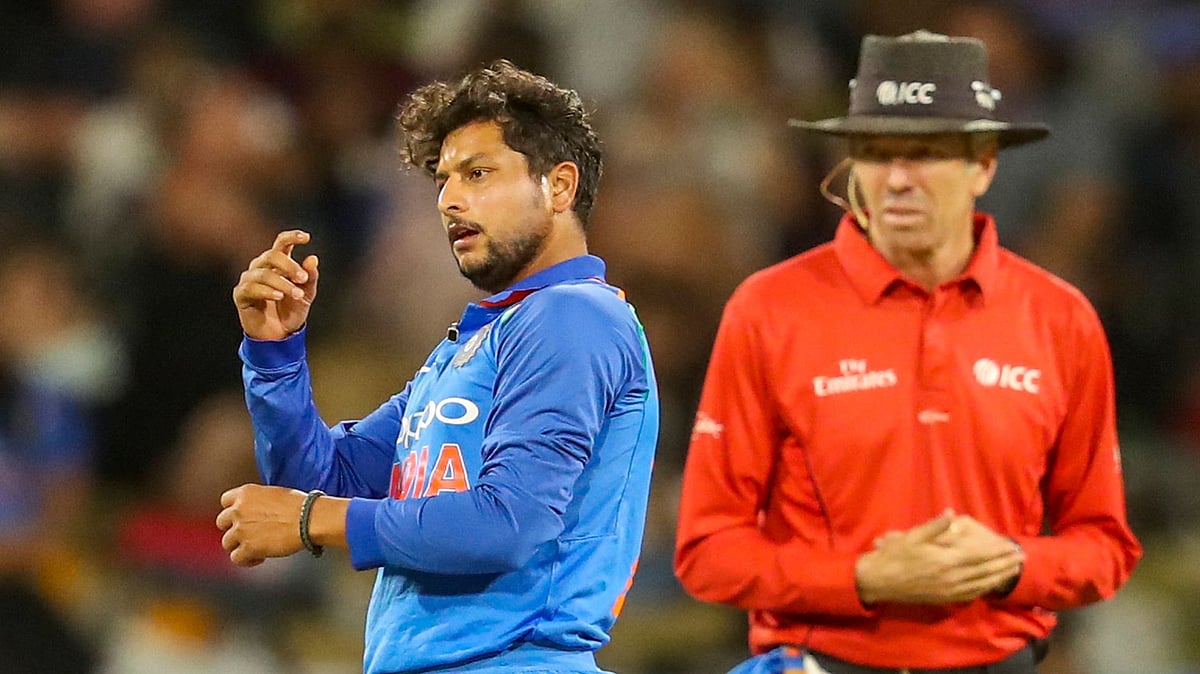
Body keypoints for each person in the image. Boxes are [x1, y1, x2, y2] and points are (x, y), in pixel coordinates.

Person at [673, 31, 1142, 674]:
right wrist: (863, 577)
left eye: (923, 154)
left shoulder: (1061, 319)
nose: (895, 180)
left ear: (984, 164)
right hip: (819, 661)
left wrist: (1012, 563)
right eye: (875, 153)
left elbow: (1105, 547)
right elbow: (706, 552)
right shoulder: (770, 309)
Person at [215, 60, 660, 674]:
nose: (450, 199)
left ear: (558, 187)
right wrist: (275, 355)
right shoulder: (470, 347)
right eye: (443, 180)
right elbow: (320, 480)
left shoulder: (574, 317)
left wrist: (313, 519)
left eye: (478, 173)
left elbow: (510, 522)